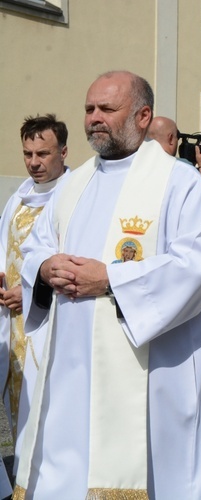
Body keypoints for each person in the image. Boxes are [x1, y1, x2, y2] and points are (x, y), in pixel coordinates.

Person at [15, 71, 201, 499]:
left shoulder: (181, 184)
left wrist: (111, 279)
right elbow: (36, 246)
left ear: (143, 115)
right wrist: (44, 268)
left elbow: (197, 266)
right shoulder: (73, 184)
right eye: (89, 108)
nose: (94, 118)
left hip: (152, 371)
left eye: (106, 109)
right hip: (73, 369)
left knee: (150, 470)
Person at [0, 114, 70, 495]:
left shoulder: (74, 195)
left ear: (63, 151)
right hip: (13, 326)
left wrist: (30, 295)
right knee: (19, 410)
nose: (34, 162)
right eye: (27, 153)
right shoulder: (20, 196)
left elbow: (72, 262)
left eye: (42, 153)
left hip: (52, 324)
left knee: (52, 412)